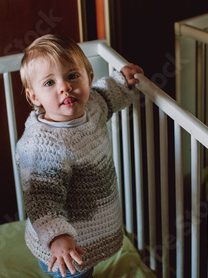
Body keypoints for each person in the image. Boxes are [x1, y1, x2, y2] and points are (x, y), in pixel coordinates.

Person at [16, 34, 143, 278]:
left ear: (89, 78)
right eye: (49, 83)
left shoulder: (92, 106)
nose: (65, 86)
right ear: (34, 97)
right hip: (62, 244)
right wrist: (57, 236)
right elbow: (41, 199)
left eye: (72, 76)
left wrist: (122, 81)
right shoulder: (42, 145)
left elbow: (106, 96)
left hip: (87, 235)